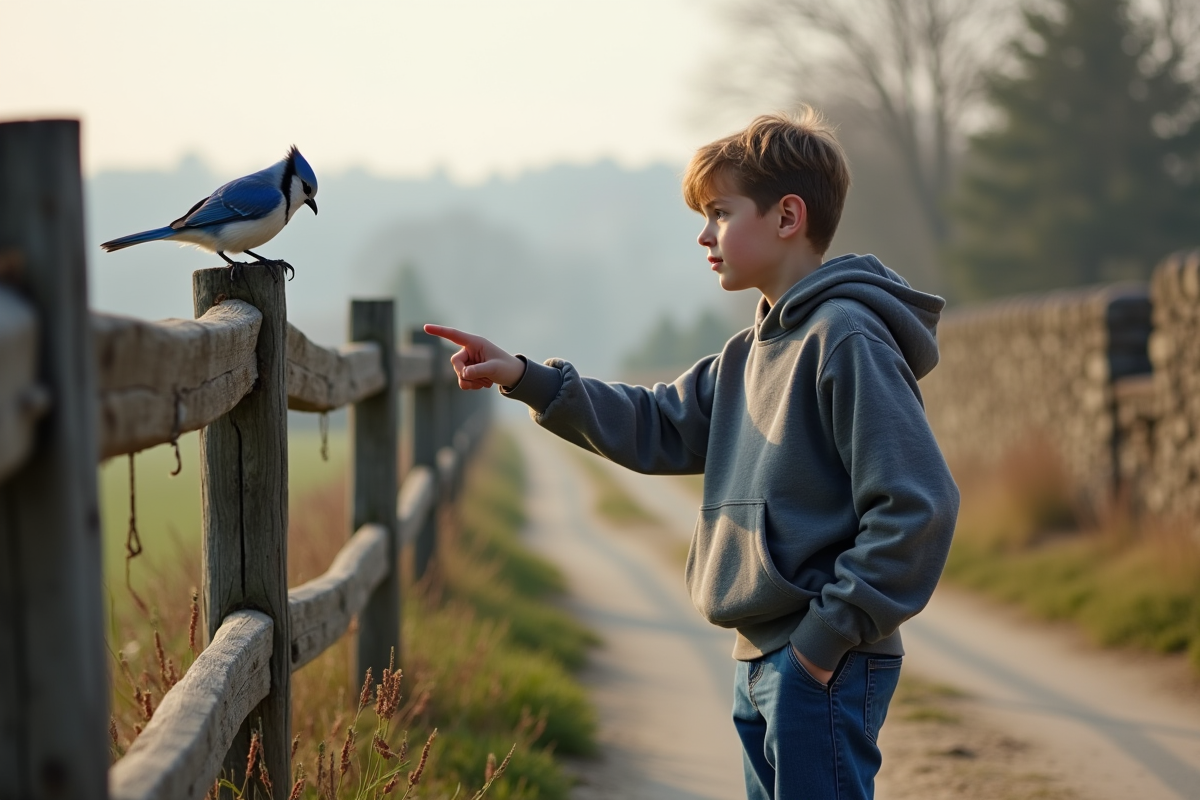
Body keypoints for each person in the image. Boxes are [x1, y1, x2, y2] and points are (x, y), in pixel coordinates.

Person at [424, 106, 959, 800]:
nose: (704, 236)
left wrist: (823, 644)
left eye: (719, 213)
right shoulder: (747, 354)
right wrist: (526, 377)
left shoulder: (846, 339)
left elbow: (919, 505)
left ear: (787, 217)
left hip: (819, 661)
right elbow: (656, 422)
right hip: (762, 656)